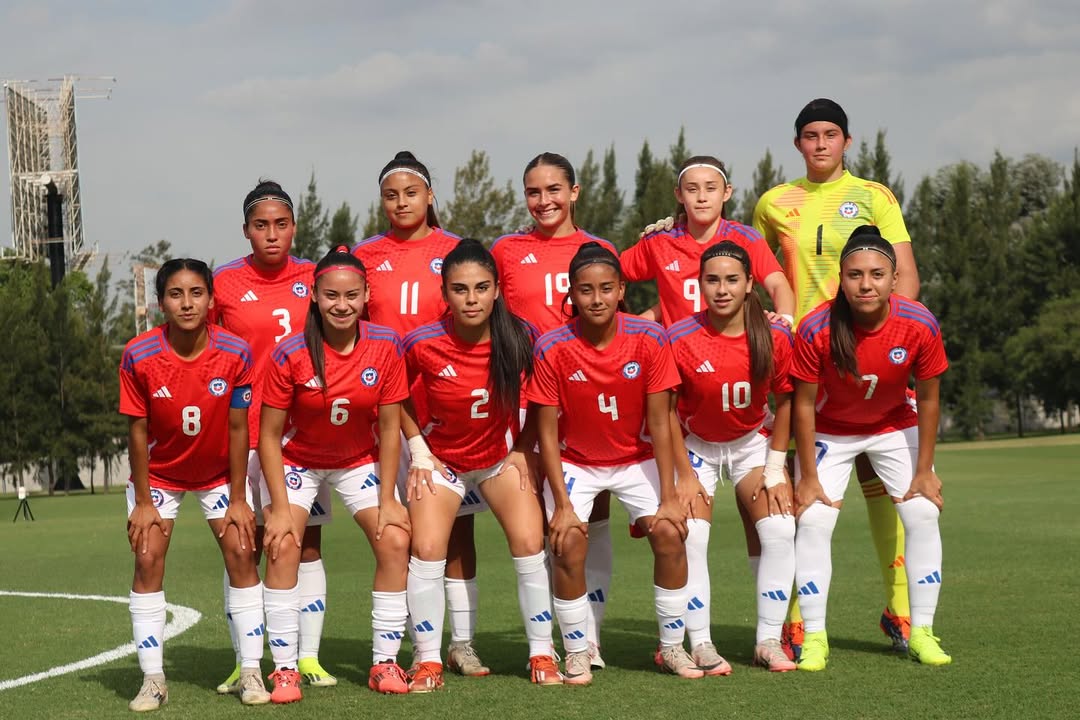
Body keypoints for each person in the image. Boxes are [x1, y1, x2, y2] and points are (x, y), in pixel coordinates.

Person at [753, 99, 921, 656]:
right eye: (809, 135)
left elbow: (907, 281)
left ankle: (899, 609)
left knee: (885, 487)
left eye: (830, 134)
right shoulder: (774, 203)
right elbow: (754, 271)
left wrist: (884, 347)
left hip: (865, 355)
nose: (820, 143)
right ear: (797, 143)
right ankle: (800, 620)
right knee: (810, 493)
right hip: (804, 363)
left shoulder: (875, 197)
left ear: (848, 141)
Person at [527, 241, 702, 685]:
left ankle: (671, 647)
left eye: (606, 288)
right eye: (586, 290)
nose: (597, 298)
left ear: (622, 289)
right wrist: (563, 504)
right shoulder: (552, 346)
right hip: (576, 460)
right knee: (566, 542)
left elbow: (661, 423)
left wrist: (669, 496)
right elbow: (546, 433)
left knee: (670, 533)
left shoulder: (649, 338)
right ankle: (577, 651)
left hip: (634, 457)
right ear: (572, 292)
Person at [400, 239, 562, 692]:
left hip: (498, 458)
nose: (471, 299)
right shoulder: (422, 341)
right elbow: (393, 397)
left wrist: (521, 449)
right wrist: (419, 449)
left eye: (480, 288)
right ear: (445, 293)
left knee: (531, 543)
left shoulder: (522, 336)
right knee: (428, 550)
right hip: (444, 462)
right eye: (460, 289)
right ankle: (429, 661)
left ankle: (541, 654)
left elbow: (544, 401)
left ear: (496, 290)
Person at [353, 151, 490, 676]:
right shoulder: (364, 255)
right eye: (392, 194)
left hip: (449, 413)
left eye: (412, 192)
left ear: (430, 195)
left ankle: (464, 641)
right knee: (403, 534)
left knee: (459, 533)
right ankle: (417, 644)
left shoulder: (457, 250)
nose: (402, 202)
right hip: (387, 416)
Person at [790, 228, 950, 671]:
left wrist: (925, 470)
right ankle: (815, 637)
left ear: (894, 278)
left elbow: (930, 397)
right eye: (856, 275)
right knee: (816, 519)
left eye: (877, 274)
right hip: (832, 429)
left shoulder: (918, 322)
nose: (866, 284)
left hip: (892, 424)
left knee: (922, 511)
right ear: (840, 279)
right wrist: (806, 476)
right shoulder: (816, 326)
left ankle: (921, 631)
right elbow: (803, 404)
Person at [258, 247, 413, 703]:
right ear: (314, 298)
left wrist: (388, 498)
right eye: (330, 295)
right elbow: (269, 437)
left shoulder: (385, 345)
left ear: (366, 295)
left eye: (351, 295)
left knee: (396, 538)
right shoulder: (291, 352)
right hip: (298, 462)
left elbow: (389, 429)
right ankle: (284, 670)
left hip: (356, 461)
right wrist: (281, 509)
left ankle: (384, 661)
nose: (341, 304)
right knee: (283, 545)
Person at [121, 259, 271, 710]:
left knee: (244, 555)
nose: (186, 304)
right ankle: (153, 680)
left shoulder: (236, 352)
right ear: (161, 301)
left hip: (219, 475)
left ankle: (251, 673)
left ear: (211, 299)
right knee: (147, 560)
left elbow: (240, 427)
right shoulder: (138, 354)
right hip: (160, 476)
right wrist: (144, 503)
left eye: (196, 294)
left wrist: (241, 498)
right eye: (175, 294)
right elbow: (137, 432)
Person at [491, 152, 619, 668]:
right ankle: (548, 640)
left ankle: (590, 635)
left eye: (553, 190)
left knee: (592, 518)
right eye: (533, 191)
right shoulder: (506, 249)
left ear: (575, 192)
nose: (544, 201)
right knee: (543, 521)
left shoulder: (599, 249)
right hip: (523, 402)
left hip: (586, 400)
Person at [211, 180, 337, 692]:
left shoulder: (317, 277)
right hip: (244, 433)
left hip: (302, 435)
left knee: (304, 544)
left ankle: (306, 657)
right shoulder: (222, 283)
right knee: (244, 546)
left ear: (295, 228)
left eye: (280, 224)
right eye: (260, 225)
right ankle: (247, 661)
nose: (271, 234)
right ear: (246, 230)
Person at [666, 241, 798, 673]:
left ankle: (768, 641)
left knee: (779, 528)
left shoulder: (774, 334)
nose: (722, 289)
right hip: (695, 446)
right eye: (712, 280)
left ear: (748, 284)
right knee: (694, 537)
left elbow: (788, 403)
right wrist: (683, 475)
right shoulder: (681, 336)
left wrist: (777, 469)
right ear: (699, 283)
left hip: (751, 443)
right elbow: (666, 412)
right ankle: (701, 643)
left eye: (731, 280)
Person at [623, 155, 795, 327]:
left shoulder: (745, 239)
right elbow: (608, 270)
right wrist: (625, 327)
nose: (702, 197)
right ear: (679, 194)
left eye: (711, 188)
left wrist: (785, 318)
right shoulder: (660, 240)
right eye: (692, 189)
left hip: (732, 350)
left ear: (726, 192)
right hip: (676, 350)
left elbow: (778, 284)